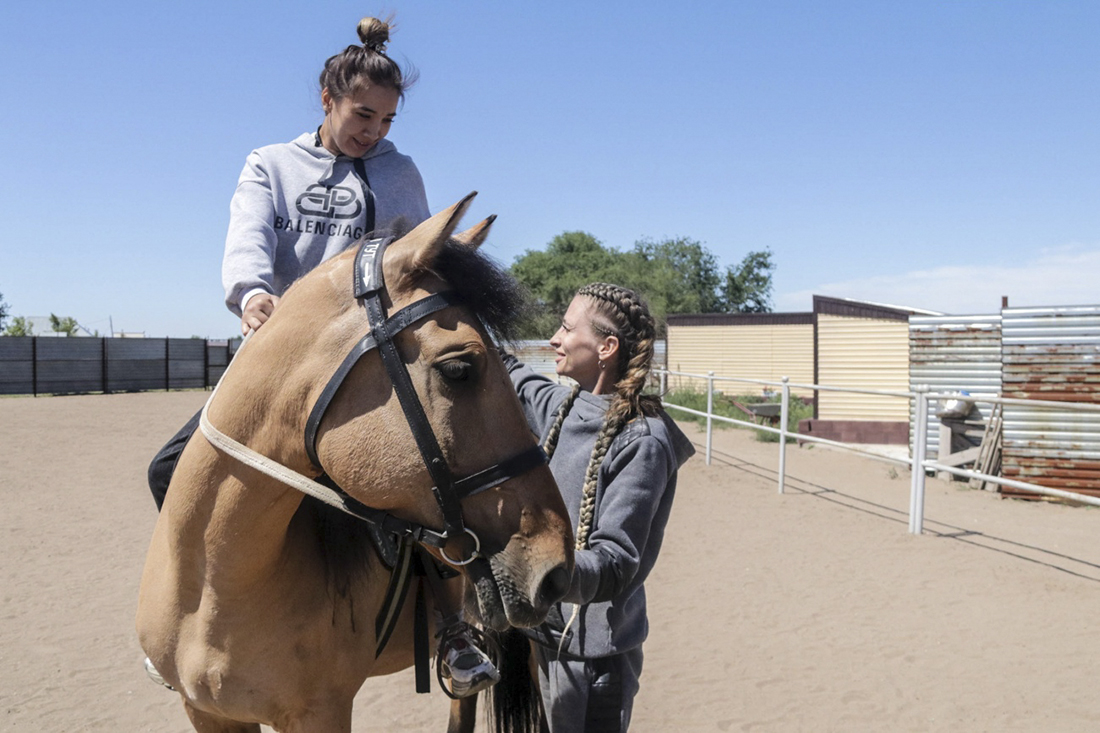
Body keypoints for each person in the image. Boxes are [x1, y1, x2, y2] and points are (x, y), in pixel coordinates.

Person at [144, 15, 497, 699]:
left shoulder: (400, 173)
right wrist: (252, 296)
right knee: (169, 470)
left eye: (388, 119)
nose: (375, 130)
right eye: (364, 113)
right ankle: (187, 614)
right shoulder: (270, 164)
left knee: (428, 481)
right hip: (275, 366)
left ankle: (454, 626)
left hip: (363, 370)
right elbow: (246, 239)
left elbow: (415, 261)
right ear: (328, 99)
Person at [503, 283, 695, 732]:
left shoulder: (642, 440)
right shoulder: (561, 406)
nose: (554, 338)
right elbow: (512, 373)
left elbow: (615, 563)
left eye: (567, 329)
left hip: (597, 656)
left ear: (606, 347)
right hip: (547, 637)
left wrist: (529, 567)